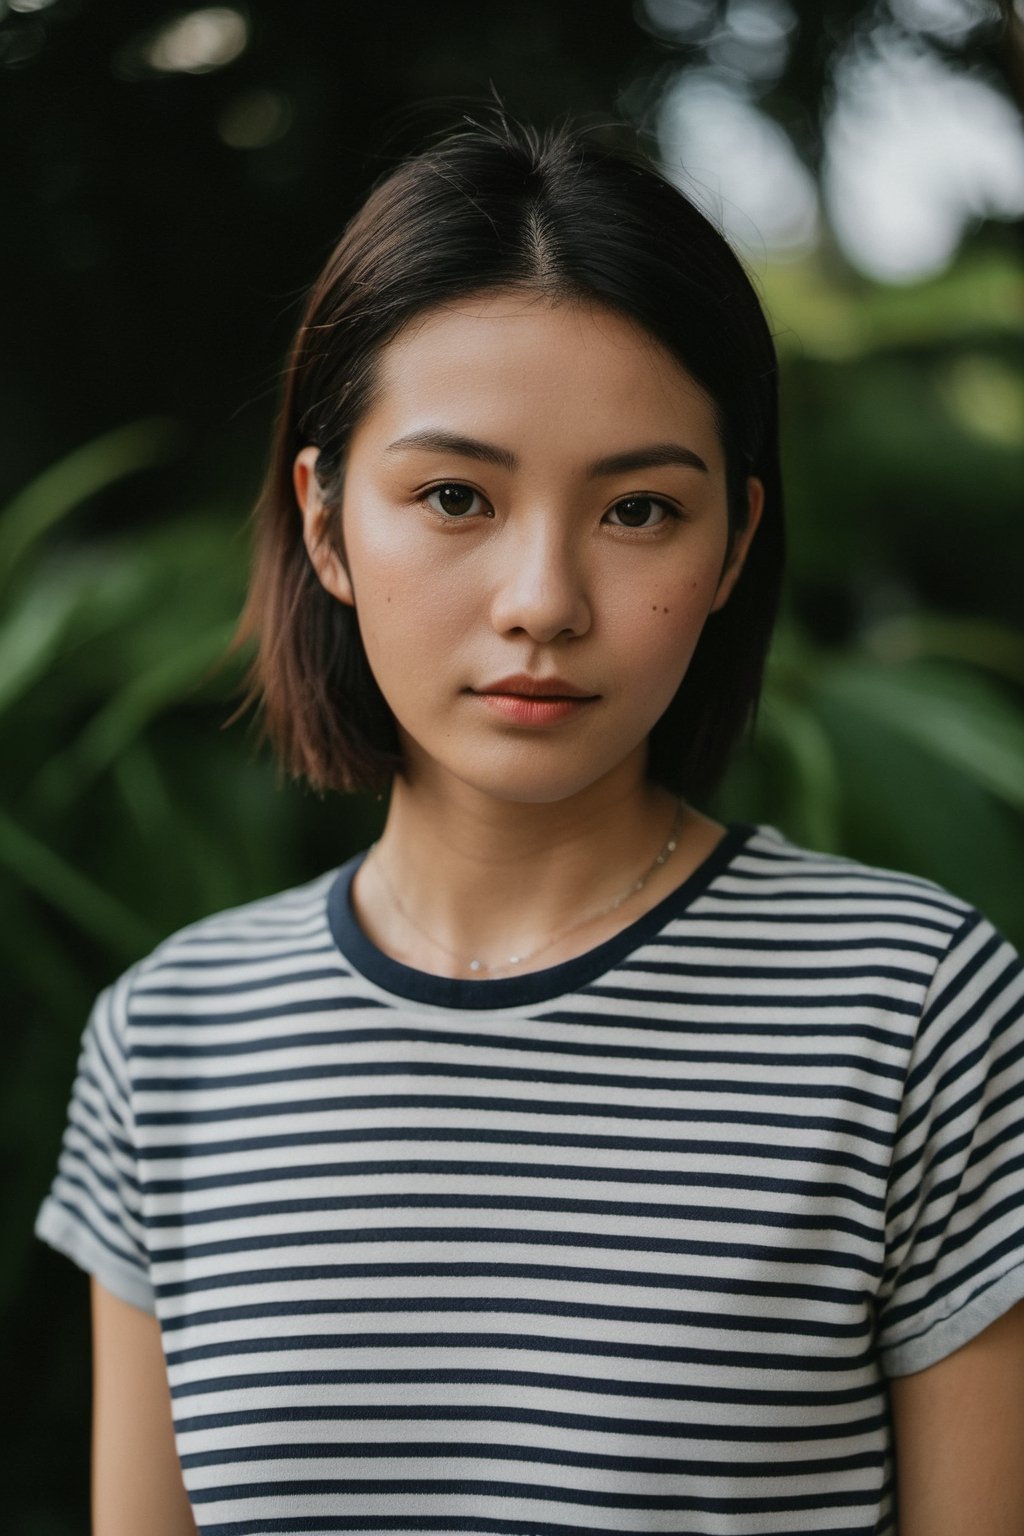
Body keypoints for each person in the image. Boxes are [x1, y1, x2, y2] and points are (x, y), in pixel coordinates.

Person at [36, 115, 1024, 1536]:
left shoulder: (912, 1008)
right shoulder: (172, 1040)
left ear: (735, 544)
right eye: (454, 497)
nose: (542, 598)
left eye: (636, 510)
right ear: (325, 524)